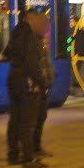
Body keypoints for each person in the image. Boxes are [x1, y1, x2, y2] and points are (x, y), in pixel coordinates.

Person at [5, 9, 47, 168]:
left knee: (15, 120)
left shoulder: (16, 34)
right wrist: (42, 83)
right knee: (27, 121)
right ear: (30, 20)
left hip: (14, 81)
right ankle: (28, 158)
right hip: (26, 84)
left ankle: (13, 154)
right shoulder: (30, 37)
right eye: (37, 21)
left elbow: (7, 52)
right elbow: (32, 64)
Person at [32, 13, 54, 159]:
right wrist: (41, 82)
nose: (47, 28)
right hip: (37, 86)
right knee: (35, 118)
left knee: (41, 117)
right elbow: (35, 65)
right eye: (45, 25)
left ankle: (37, 146)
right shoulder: (34, 41)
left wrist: (49, 79)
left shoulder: (42, 41)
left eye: (47, 25)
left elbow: (46, 63)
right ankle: (33, 148)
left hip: (44, 84)